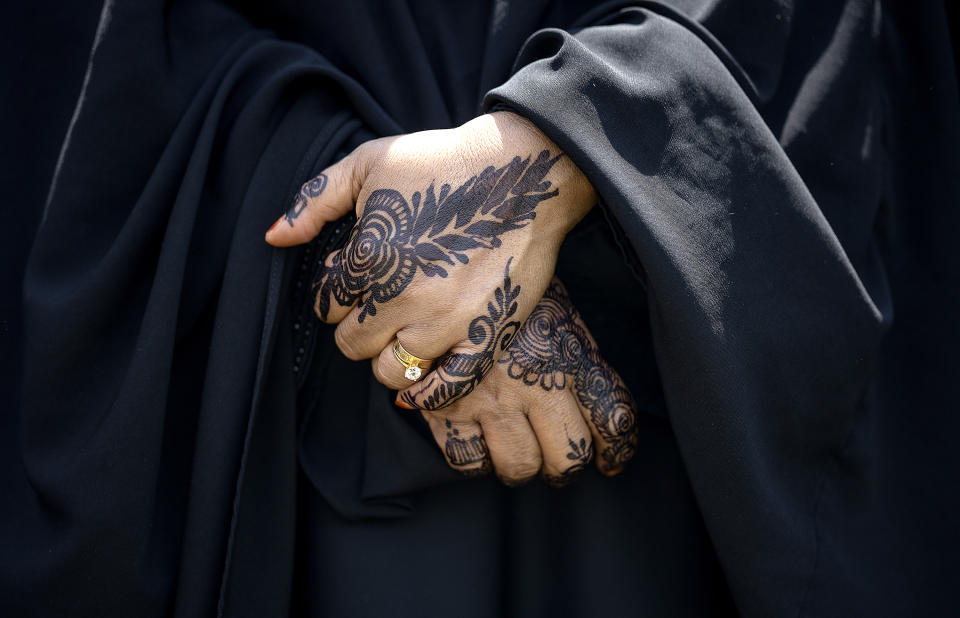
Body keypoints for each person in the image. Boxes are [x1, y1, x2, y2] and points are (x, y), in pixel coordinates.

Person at [2, 1, 958, 617]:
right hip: (298, 482)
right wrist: (392, 240)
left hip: (680, 470)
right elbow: (93, 61)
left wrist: (571, 141)